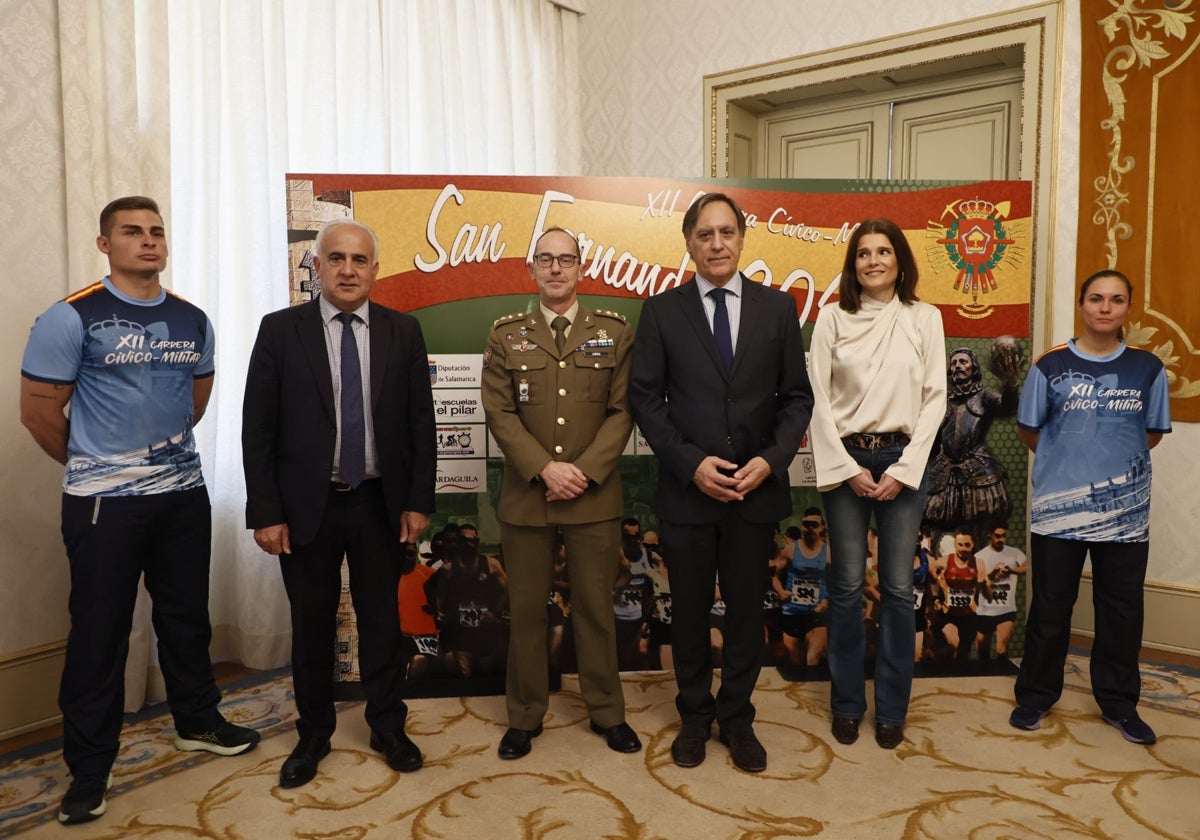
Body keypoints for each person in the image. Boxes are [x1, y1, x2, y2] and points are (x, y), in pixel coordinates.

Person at [19, 196, 260, 825]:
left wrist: (156, 464)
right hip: (102, 506)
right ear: (106, 244)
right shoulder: (72, 317)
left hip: (182, 496)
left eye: (156, 231)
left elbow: (193, 401)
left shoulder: (191, 319)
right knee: (99, 635)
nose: (148, 241)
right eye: (132, 232)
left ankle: (198, 722)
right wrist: (100, 466)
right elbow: (39, 413)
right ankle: (89, 771)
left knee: (187, 617)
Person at [241, 218, 436, 787]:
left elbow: (421, 426)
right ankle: (313, 733)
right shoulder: (280, 331)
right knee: (311, 626)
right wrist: (266, 511)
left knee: (381, 622)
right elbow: (259, 429)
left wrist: (417, 502)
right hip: (307, 509)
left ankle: (387, 724)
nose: (348, 269)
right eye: (336, 259)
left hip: (379, 503)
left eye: (359, 259)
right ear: (317, 267)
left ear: (376, 269)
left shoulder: (405, 331)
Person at [629, 192, 813, 773]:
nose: (716, 243)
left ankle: (736, 718)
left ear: (741, 239)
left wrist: (771, 460)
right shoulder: (661, 312)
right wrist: (692, 465)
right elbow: (646, 402)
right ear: (688, 242)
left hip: (755, 491)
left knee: (742, 615)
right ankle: (693, 717)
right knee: (686, 613)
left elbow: (797, 399)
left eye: (726, 232)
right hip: (690, 492)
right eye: (704, 234)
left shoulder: (778, 309)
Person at [481, 226, 641, 760]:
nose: (555, 268)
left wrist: (583, 471)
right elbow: (499, 413)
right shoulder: (507, 333)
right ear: (532, 269)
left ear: (581, 267)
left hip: (593, 496)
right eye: (545, 260)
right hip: (529, 497)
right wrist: (545, 469)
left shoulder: (615, 332)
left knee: (596, 608)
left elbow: (623, 412)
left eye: (565, 259)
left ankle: (607, 713)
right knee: (526, 610)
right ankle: (525, 716)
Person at [1009, 269, 1171, 745]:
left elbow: (1153, 433)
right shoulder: (1049, 366)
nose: (1105, 307)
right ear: (1081, 305)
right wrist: (1069, 467)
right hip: (1059, 511)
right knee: (1052, 608)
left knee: (1121, 611)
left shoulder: (1147, 368)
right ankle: (1035, 695)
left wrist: (1111, 467)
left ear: (1127, 309)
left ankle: (1119, 703)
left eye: (1116, 300)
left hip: (1125, 516)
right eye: (1096, 298)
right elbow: (1029, 430)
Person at [807, 218, 946, 750]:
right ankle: (846, 705)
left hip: (903, 460)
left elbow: (935, 399)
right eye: (863, 253)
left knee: (895, 589)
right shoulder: (831, 319)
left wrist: (905, 469)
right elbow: (816, 396)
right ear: (853, 264)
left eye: (883, 251)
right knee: (844, 589)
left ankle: (891, 711)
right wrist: (847, 467)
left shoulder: (924, 318)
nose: (873, 261)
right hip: (847, 462)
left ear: (900, 260)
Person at [923, 343, 1022, 533]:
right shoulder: (943, 400)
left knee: (983, 524)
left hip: (979, 470)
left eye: (963, 362)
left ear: (973, 367)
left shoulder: (984, 396)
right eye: (954, 363)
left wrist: (1010, 383)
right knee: (934, 522)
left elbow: (1007, 406)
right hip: (945, 470)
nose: (957, 366)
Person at [774, 514, 830, 667]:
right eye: (806, 524)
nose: (810, 528)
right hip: (792, 613)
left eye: (814, 525)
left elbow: (840, 582)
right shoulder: (791, 549)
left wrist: (827, 601)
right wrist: (781, 592)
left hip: (816, 616)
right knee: (796, 664)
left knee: (813, 656)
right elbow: (774, 575)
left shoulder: (829, 553)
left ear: (822, 527)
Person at [929, 529, 985, 661]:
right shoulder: (943, 562)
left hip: (968, 616)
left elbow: (984, 587)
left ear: (973, 545)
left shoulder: (979, 564)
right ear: (955, 545)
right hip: (947, 615)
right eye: (960, 545)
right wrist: (936, 596)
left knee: (963, 654)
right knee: (950, 647)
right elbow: (932, 578)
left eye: (967, 545)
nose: (963, 549)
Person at [974, 525, 1026, 660]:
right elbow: (978, 581)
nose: (1001, 539)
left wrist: (1010, 569)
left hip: (1006, 609)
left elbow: (1027, 567)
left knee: (1002, 651)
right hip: (985, 610)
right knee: (982, 652)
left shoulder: (1014, 553)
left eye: (1003, 535)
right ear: (989, 535)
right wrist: (992, 573)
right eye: (997, 535)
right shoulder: (980, 556)